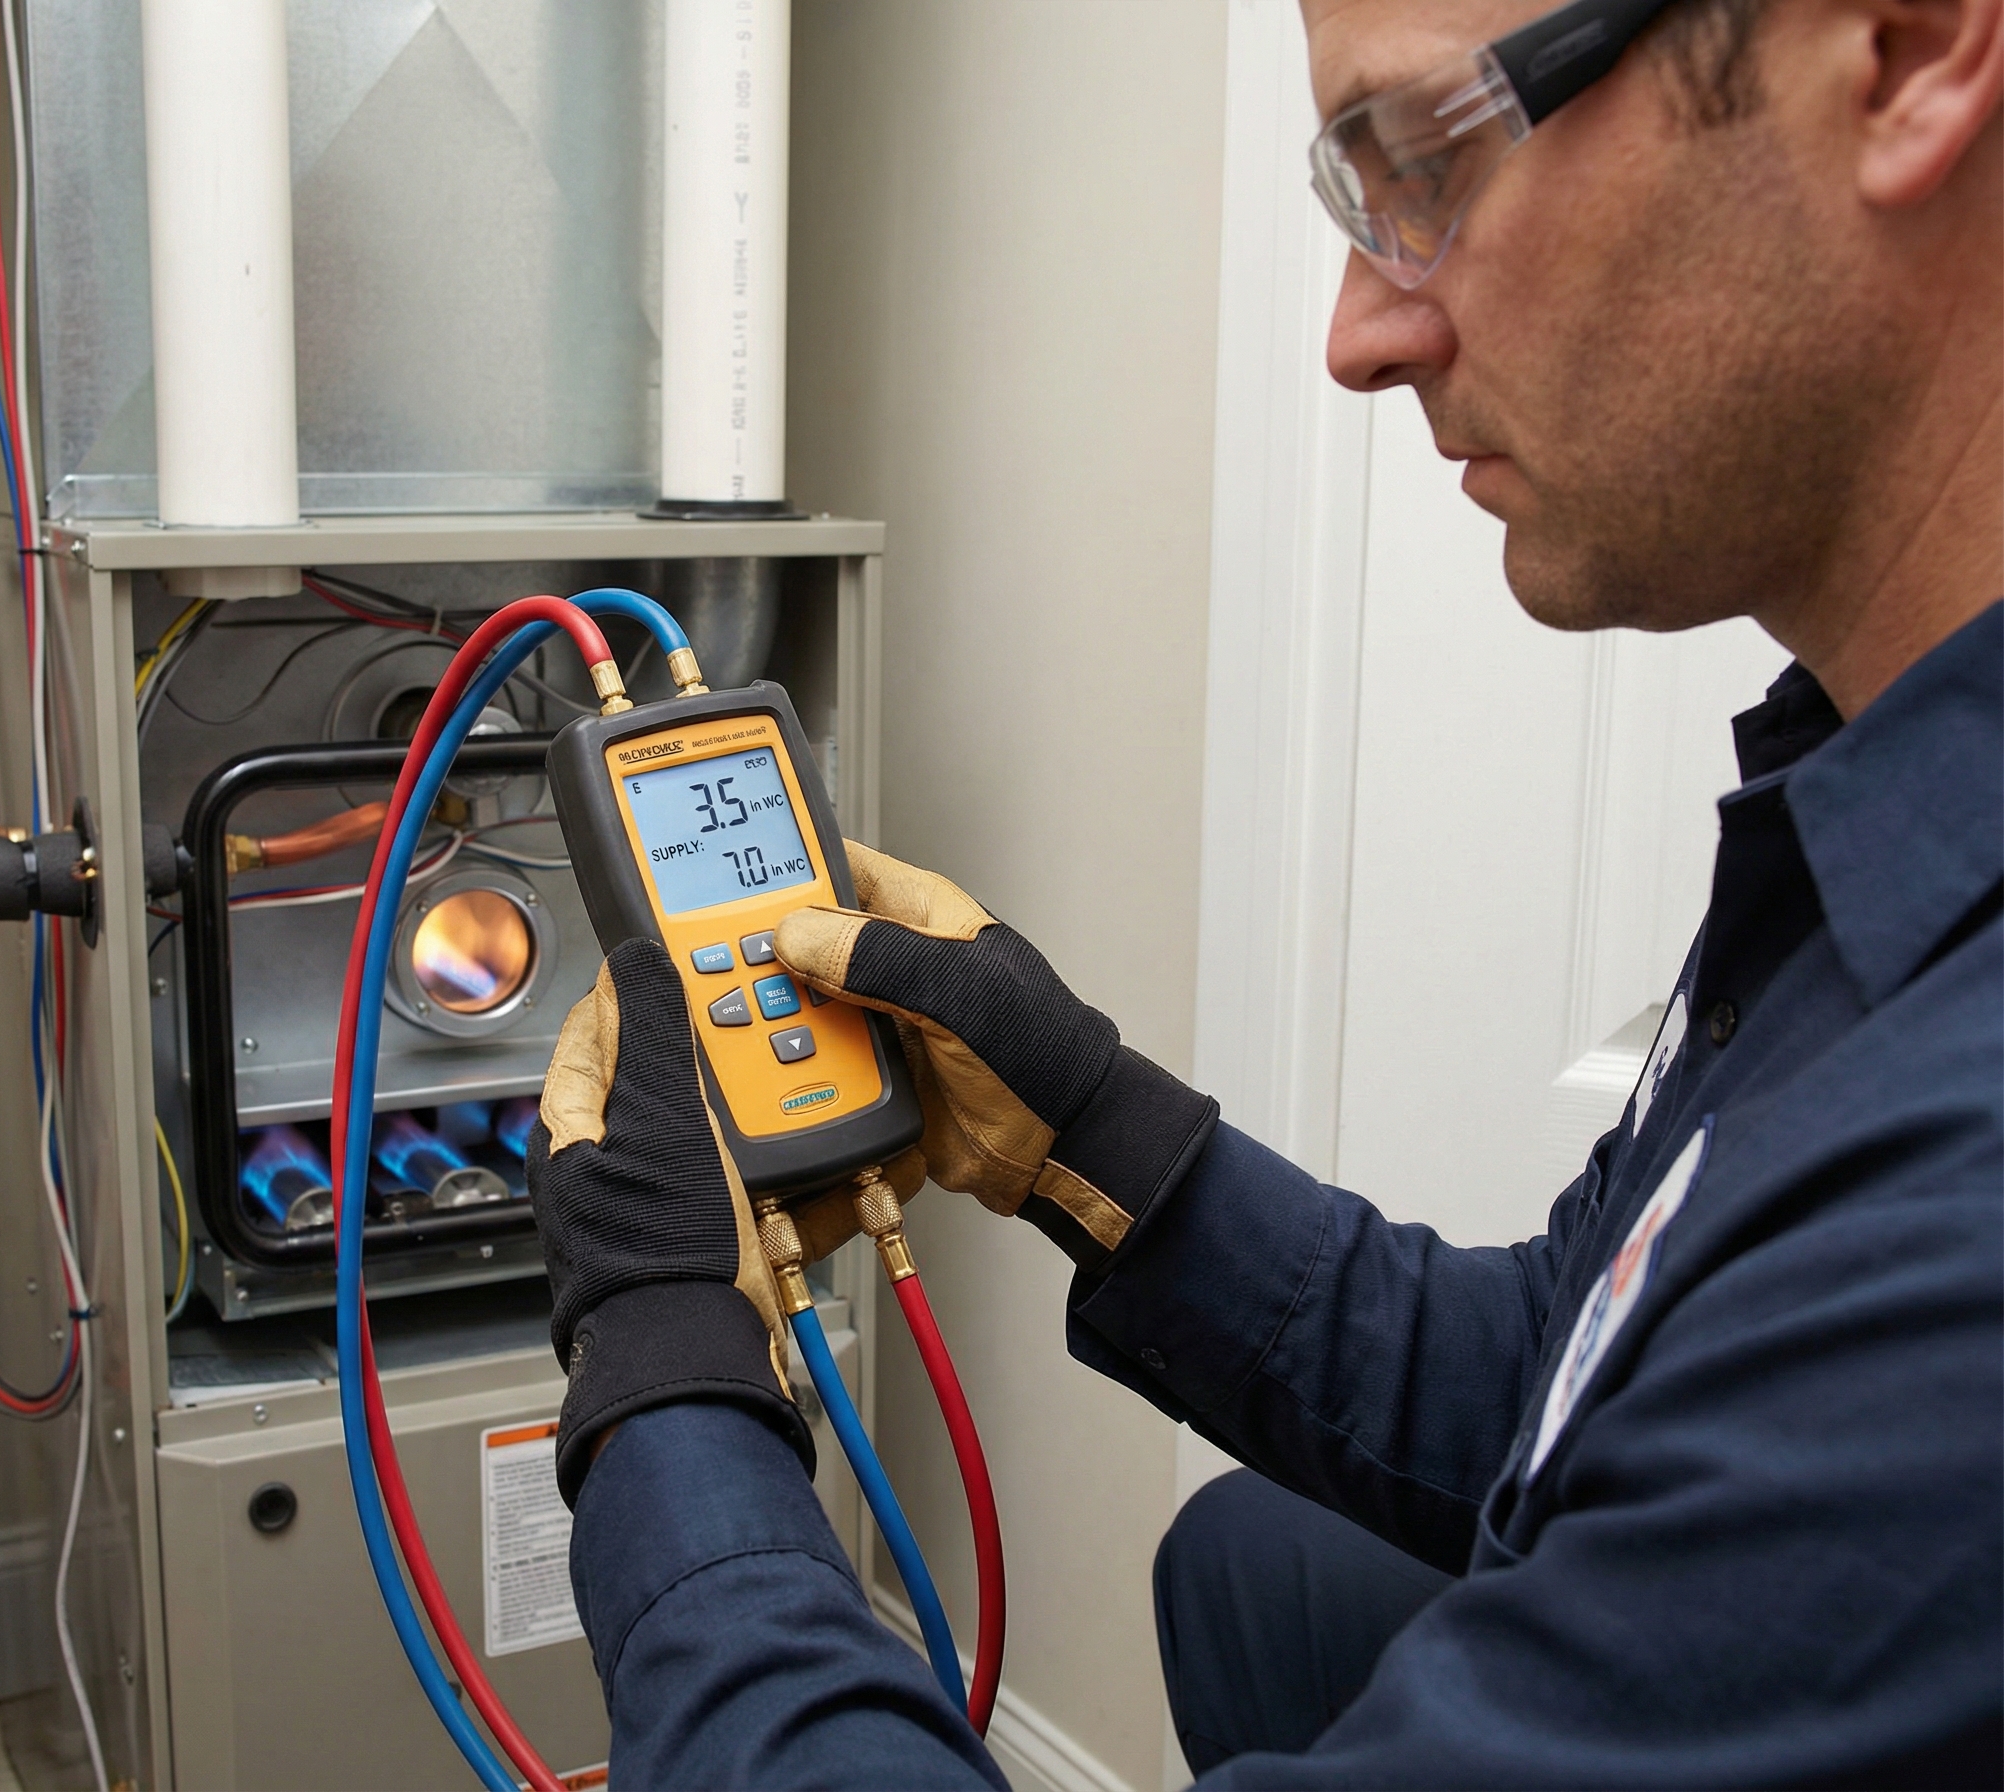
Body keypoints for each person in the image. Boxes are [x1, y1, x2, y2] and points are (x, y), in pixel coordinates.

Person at [524, 0, 2003, 1777]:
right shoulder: (1871, 833)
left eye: (1430, 158)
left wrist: (663, 1363)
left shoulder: (1958, 1219)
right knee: (1253, 1563)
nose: (1358, 336)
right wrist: (1097, 1131)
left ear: (1906, 52)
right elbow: (1559, 1376)